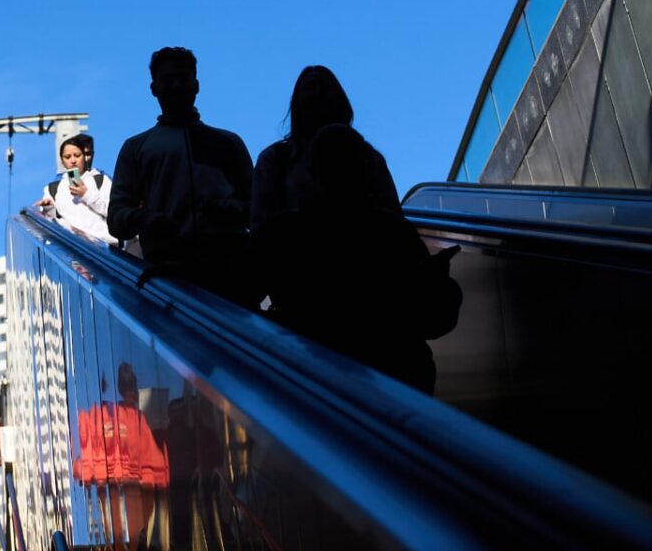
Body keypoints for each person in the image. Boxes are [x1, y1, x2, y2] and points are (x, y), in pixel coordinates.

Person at [250, 124, 460, 392]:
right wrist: (436, 282)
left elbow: (238, 297)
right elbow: (432, 320)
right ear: (367, 170)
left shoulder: (282, 234)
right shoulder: (393, 232)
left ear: (313, 173)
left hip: (309, 381)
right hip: (397, 383)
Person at [107, 47, 253, 299]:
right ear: (154, 88)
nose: (176, 86)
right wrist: (146, 219)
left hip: (224, 267)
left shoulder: (228, 143)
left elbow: (256, 207)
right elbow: (116, 219)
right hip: (172, 272)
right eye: (168, 80)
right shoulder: (137, 148)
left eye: (182, 79)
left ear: (196, 85)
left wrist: (233, 210)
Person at [251, 65, 403, 229]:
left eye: (324, 88)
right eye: (310, 88)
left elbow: (392, 216)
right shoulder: (274, 159)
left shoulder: (370, 158)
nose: (317, 94)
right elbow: (262, 224)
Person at [74, 363, 171, 551]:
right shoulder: (110, 417)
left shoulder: (128, 418)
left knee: (130, 541)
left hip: (129, 489)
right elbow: (152, 459)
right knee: (126, 540)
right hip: (120, 490)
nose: (131, 392)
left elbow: (150, 457)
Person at [36, 133, 113, 242]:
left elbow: (113, 211)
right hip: (72, 247)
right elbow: (51, 222)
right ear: (62, 161)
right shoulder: (53, 188)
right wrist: (49, 208)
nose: (73, 161)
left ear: (84, 157)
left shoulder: (100, 180)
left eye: (77, 155)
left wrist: (86, 195)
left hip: (103, 248)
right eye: (67, 157)